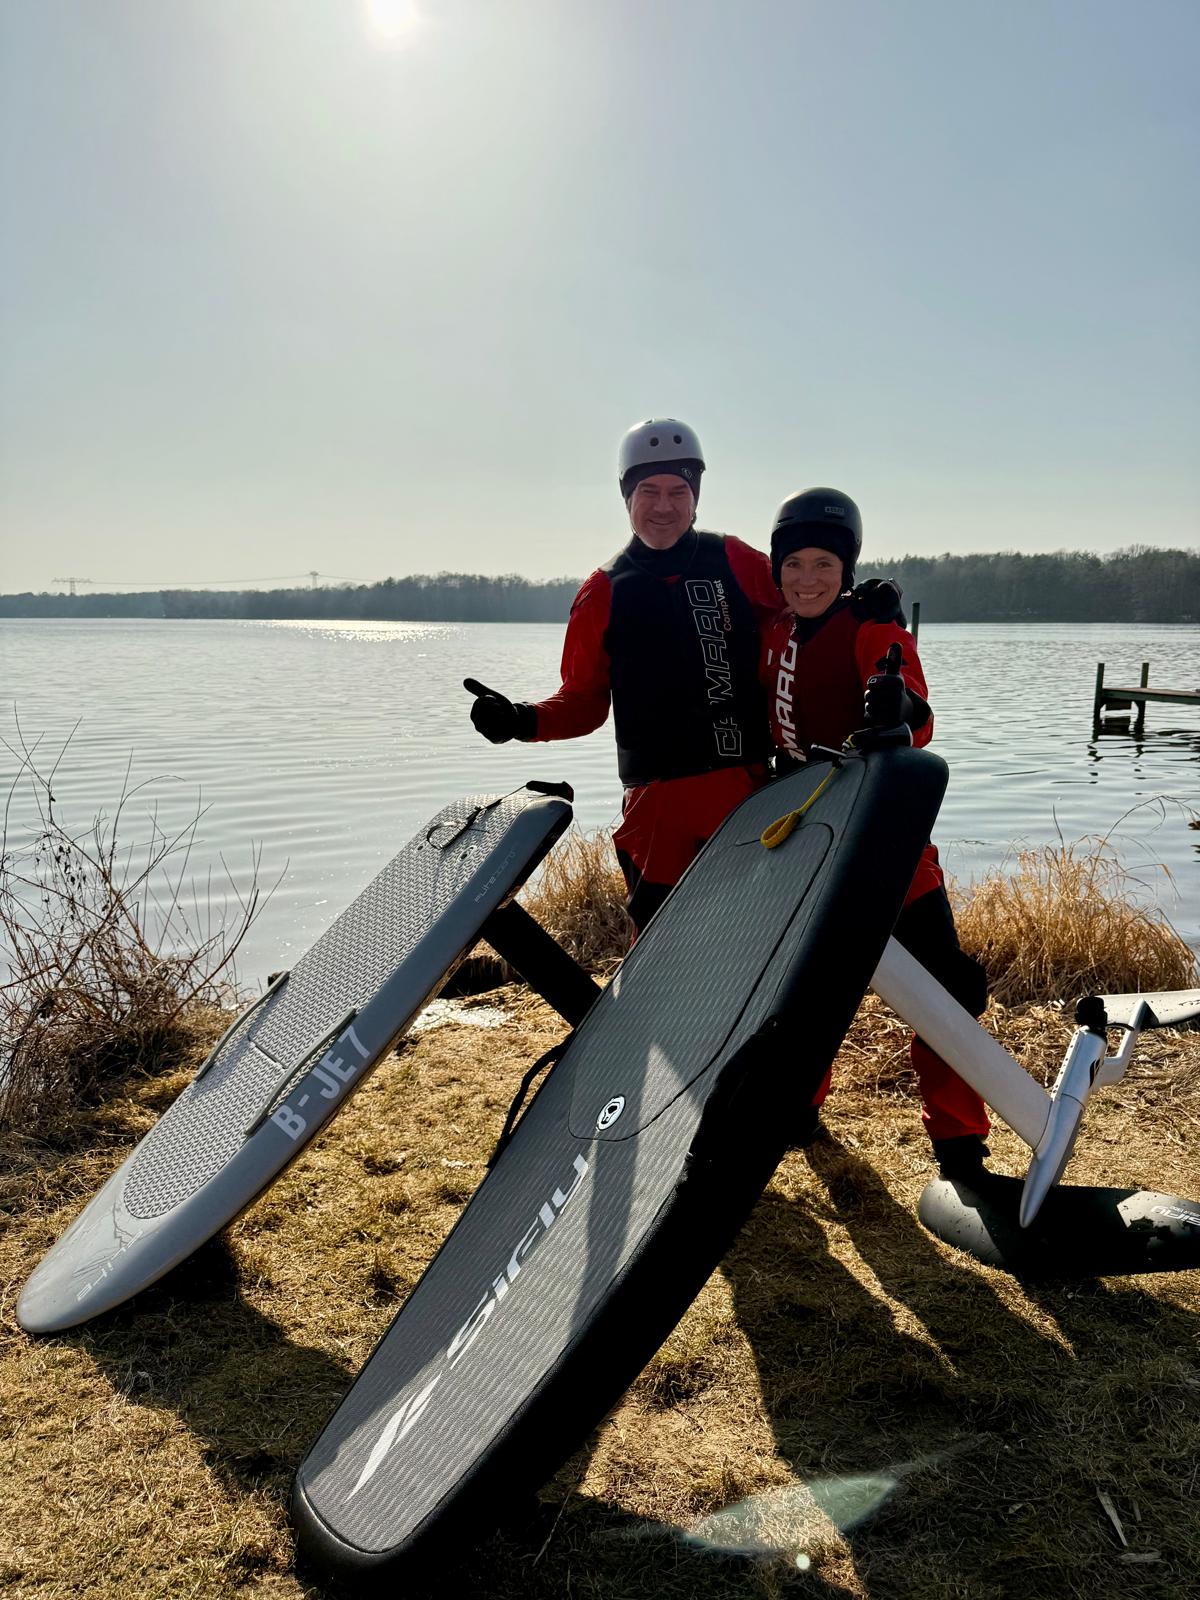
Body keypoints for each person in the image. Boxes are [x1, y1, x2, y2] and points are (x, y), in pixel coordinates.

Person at [465, 418, 783, 934]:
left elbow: (804, 610)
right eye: (648, 491)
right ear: (626, 497)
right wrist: (520, 720)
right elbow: (584, 702)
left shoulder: (735, 559)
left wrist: (863, 611)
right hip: (657, 809)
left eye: (678, 491)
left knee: (755, 935)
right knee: (660, 943)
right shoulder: (605, 590)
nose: (664, 506)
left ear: (696, 495)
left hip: (746, 788)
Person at [760, 487, 993, 1179]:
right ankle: (795, 1111)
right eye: (794, 563)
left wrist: (899, 709)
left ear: (847, 569)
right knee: (804, 997)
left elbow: (917, 721)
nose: (807, 578)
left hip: (891, 850)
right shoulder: (770, 631)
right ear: (776, 570)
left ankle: (960, 1149)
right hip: (806, 847)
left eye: (824, 564)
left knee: (945, 996)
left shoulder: (875, 632)